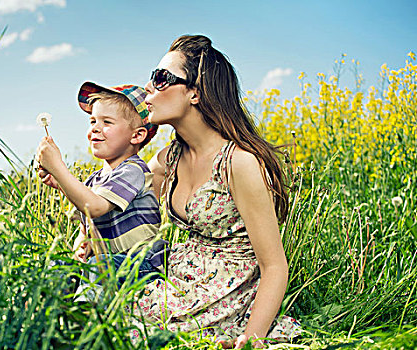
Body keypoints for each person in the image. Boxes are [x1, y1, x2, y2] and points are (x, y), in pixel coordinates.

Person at [131, 35, 300, 348]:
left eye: (161, 78)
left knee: (138, 329)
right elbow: (120, 209)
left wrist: (252, 339)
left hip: (226, 293)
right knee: (103, 304)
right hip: (181, 276)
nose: (148, 87)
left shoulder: (239, 163)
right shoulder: (168, 159)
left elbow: (274, 266)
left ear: (195, 93)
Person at [36, 82, 166, 289]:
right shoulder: (93, 182)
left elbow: (94, 207)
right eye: (93, 120)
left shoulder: (133, 170)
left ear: (137, 135)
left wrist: (59, 168)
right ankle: (46, 316)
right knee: (59, 266)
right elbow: (85, 229)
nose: (95, 128)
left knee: (98, 266)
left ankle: (85, 316)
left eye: (107, 122)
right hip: (109, 264)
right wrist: (60, 184)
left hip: (143, 267)